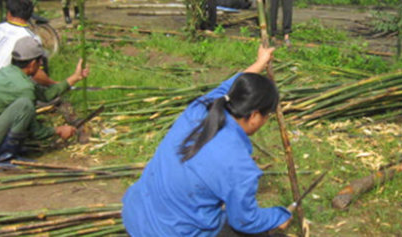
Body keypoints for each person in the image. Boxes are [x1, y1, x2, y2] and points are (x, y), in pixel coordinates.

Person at [122, 45, 292, 236]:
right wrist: (279, 216)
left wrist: (259, 63)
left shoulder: (200, 108)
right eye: (266, 115)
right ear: (254, 116)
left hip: (136, 216)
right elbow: (245, 220)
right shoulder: (239, 165)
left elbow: (229, 88)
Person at [0, 37, 89, 167]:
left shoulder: (9, 72)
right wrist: (58, 131)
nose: (40, 66)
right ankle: (5, 157)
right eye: (40, 62)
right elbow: (37, 131)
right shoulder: (23, 88)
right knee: (25, 105)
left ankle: (7, 149)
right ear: (33, 64)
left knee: (23, 105)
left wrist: (75, 78)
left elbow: (46, 94)